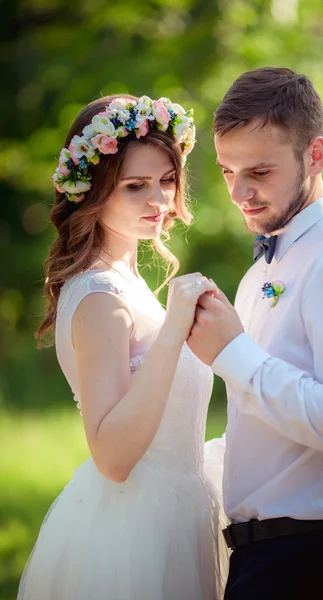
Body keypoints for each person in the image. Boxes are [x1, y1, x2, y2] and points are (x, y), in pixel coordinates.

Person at [191, 67, 323, 599]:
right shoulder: (263, 266)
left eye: (259, 171)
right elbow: (271, 435)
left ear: (316, 156)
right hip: (269, 559)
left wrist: (235, 356)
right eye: (227, 170)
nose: (239, 192)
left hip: (315, 563)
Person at [18, 94, 227, 600]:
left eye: (167, 181)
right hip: (136, 532)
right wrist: (176, 328)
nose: (159, 200)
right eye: (136, 186)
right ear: (92, 191)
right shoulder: (99, 298)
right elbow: (112, 456)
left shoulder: (127, 283)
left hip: (180, 510)